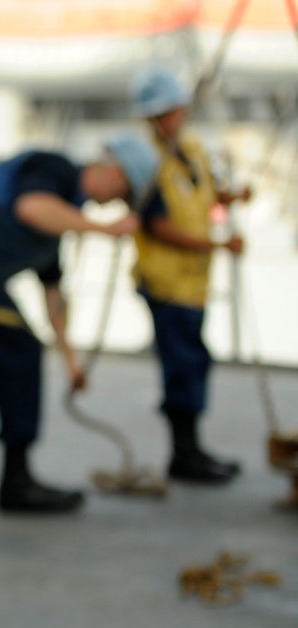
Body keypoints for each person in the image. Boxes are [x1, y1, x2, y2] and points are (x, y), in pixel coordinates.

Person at [0, 135, 159, 513]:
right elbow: (31, 208)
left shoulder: (65, 213)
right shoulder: (54, 170)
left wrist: (71, 361)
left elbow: (53, 295)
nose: (118, 201)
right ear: (115, 171)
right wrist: (104, 230)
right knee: (19, 350)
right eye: (124, 190)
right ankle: (17, 481)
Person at [130, 65, 250, 484]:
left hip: (194, 282)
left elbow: (204, 192)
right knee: (183, 364)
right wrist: (219, 246)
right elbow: (158, 224)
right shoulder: (144, 161)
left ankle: (192, 448)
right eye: (164, 112)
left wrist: (232, 197)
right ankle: (184, 454)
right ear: (151, 116)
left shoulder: (192, 148)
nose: (173, 118)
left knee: (195, 361)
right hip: (166, 282)